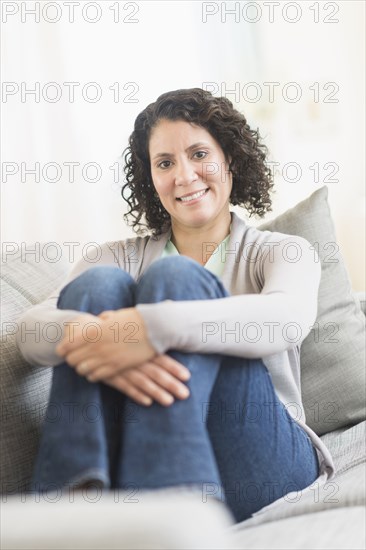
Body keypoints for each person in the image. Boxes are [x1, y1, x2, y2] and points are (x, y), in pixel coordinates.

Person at [17, 88, 335, 523]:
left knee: (177, 279)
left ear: (231, 161)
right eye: (165, 163)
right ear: (151, 178)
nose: (184, 176)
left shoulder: (282, 251)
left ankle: (164, 503)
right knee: (97, 286)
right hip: (129, 464)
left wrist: (152, 328)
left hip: (261, 460)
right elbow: (30, 333)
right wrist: (104, 340)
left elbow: (286, 320)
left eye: (199, 153)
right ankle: (75, 504)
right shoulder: (114, 258)